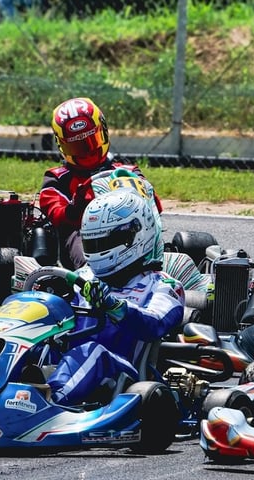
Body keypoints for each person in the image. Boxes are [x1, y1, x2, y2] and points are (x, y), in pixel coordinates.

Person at [44, 189, 185, 406]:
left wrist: (113, 306)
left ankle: (50, 404)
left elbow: (154, 323)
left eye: (104, 243)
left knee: (91, 352)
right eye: (93, 243)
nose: (98, 251)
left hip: (124, 376)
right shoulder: (81, 277)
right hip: (68, 363)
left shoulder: (163, 285)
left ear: (134, 236)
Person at [39, 97, 162, 270]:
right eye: (78, 147)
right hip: (87, 241)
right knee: (77, 237)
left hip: (132, 235)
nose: (87, 151)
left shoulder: (127, 171)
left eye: (91, 142)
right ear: (62, 146)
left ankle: (158, 266)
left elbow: (155, 207)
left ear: (103, 132)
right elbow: (55, 213)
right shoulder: (57, 178)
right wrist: (75, 208)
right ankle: (92, 279)